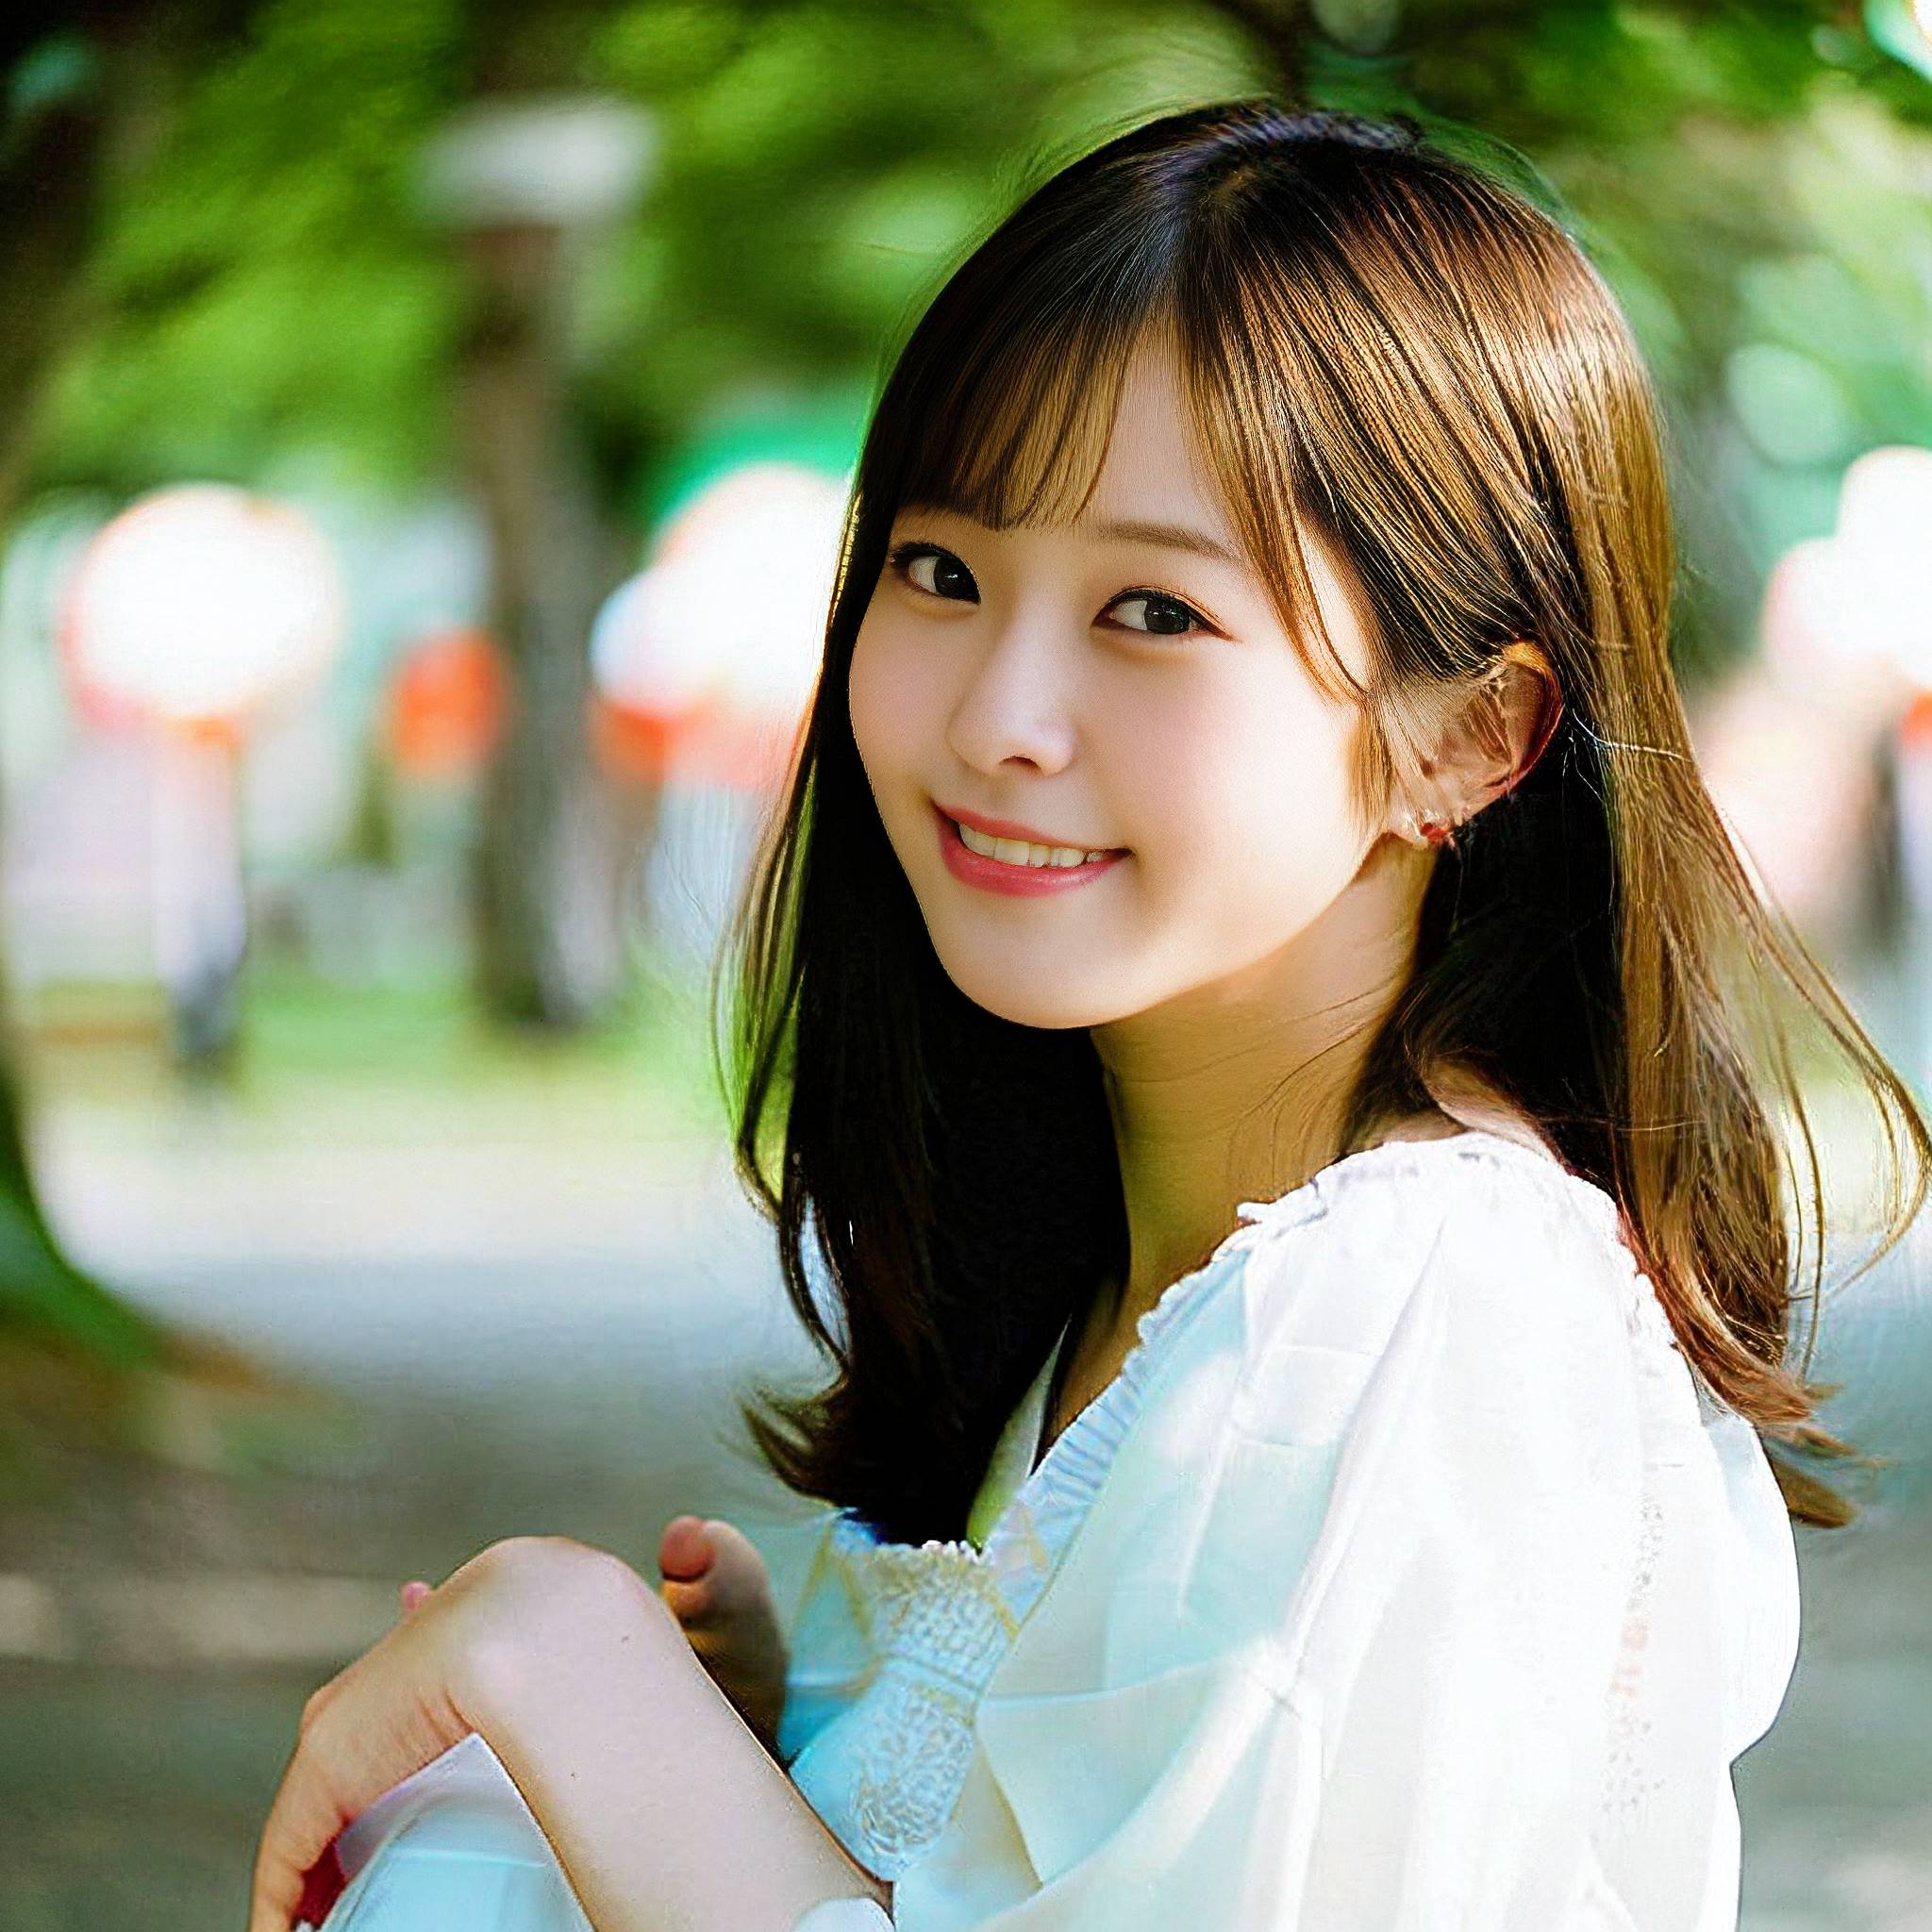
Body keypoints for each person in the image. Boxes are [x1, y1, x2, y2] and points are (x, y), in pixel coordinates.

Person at [249, 98, 1931, 1932]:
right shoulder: (1160, 1273)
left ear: (1460, 737)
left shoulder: (1396, 1316)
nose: (997, 716)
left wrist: (570, 1660)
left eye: (1151, 609)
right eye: (941, 571)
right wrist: (767, 1731)